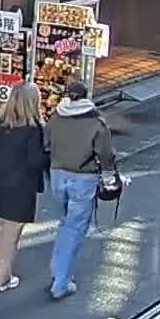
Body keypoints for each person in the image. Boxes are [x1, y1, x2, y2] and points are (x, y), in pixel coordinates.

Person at [43, 80, 117, 301]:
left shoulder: (56, 117)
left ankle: (58, 271)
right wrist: (109, 178)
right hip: (83, 178)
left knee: (64, 223)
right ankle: (61, 282)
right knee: (74, 227)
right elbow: (105, 154)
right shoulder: (96, 122)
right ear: (86, 96)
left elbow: (45, 144)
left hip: (57, 175)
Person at [0, 82, 49, 292]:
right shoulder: (33, 129)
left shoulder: (0, 122)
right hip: (22, 184)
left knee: (10, 226)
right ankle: (1, 277)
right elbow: (35, 161)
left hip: (0, 180)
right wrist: (49, 156)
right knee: (14, 230)